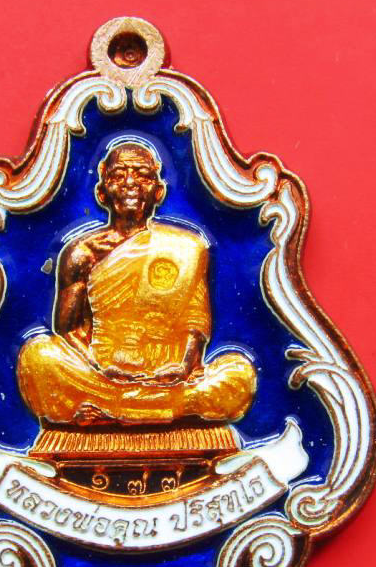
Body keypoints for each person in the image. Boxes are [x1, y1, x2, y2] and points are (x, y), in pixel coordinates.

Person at [16, 139, 257, 426]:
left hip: (170, 375)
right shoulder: (83, 253)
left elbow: (196, 323)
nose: (130, 183)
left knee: (238, 374)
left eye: (142, 175)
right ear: (102, 192)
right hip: (103, 372)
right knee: (38, 356)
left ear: (159, 191)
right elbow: (68, 331)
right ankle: (156, 409)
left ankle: (119, 410)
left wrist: (182, 368)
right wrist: (100, 366)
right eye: (118, 176)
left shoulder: (187, 247)